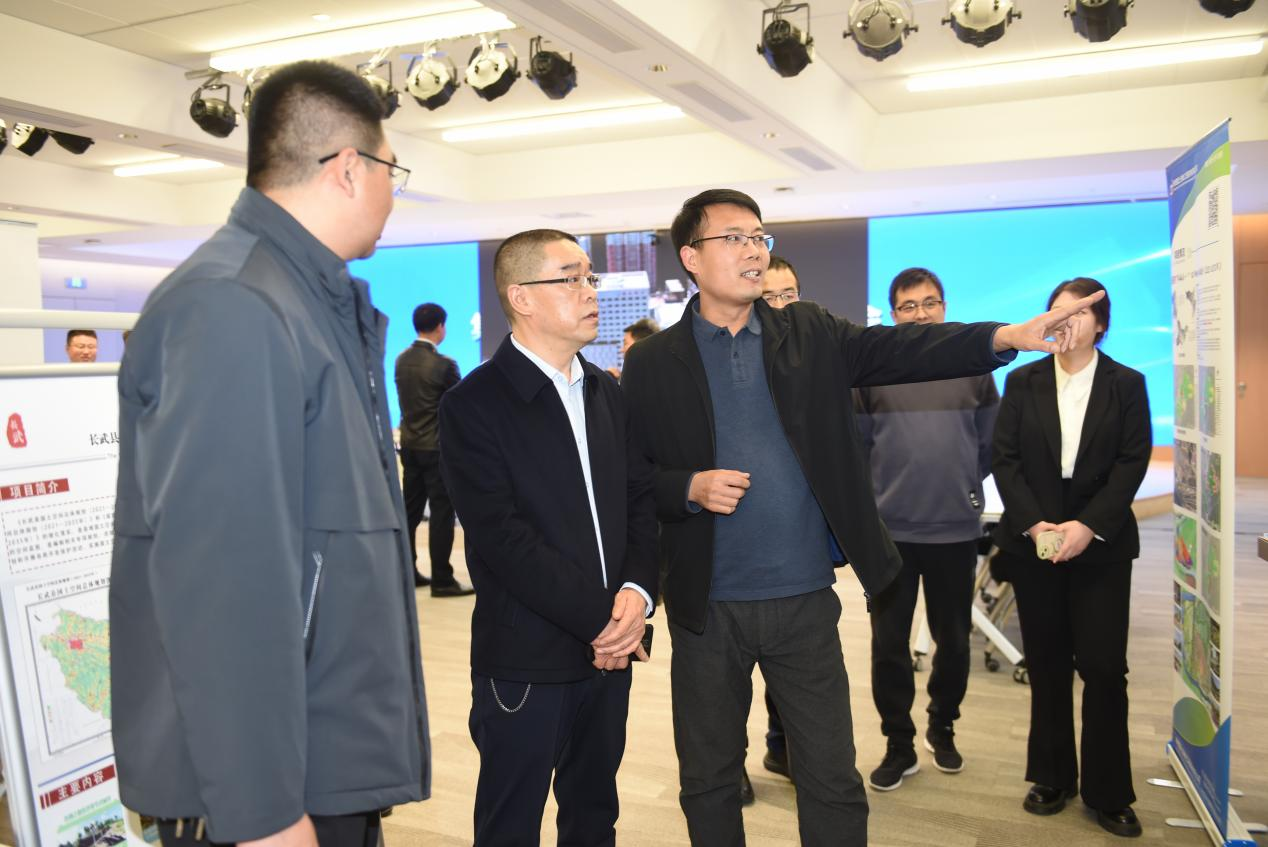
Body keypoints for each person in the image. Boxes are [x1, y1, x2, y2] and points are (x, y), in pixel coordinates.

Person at [620, 188, 1103, 847]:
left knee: (831, 777)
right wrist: (688, 487)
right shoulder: (653, 362)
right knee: (708, 779)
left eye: (758, 236)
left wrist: (1004, 336)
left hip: (803, 600)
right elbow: (633, 479)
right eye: (734, 237)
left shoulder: (808, 333)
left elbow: (907, 349)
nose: (753, 250)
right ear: (691, 258)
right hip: (706, 606)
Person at [110, 60, 429, 847]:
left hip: (320, 755)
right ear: (349, 169)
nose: (394, 194)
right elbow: (221, 578)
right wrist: (263, 812)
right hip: (269, 793)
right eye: (391, 171)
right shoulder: (234, 305)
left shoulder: (307, 301)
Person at [439, 229, 659, 847]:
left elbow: (640, 502)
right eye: (571, 278)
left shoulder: (606, 392)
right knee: (511, 824)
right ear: (522, 297)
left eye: (591, 277)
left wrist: (638, 595)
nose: (590, 292)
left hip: (612, 651)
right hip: (528, 656)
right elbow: (503, 539)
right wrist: (604, 620)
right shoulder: (474, 403)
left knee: (594, 816)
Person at [991, 277, 1150, 838]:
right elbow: (1005, 460)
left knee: (1104, 668)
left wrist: (1088, 526)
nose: (1066, 320)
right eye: (1057, 311)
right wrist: (1035, 524)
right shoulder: (1023, 380)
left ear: (1100, 324)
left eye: (1079, 312)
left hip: (1101, 542)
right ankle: (1053, 775)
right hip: (1036, 540)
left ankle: (1110, 791)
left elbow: (1132, 462)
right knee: (1048, 663)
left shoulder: (1126, 384)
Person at [856, 267, 999, 791]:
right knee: (888, 645)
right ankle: (899, 743)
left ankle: (943, 726)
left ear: (944, 306)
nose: (921, 313)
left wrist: (961, 484)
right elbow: (859, 446)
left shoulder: (973, 365)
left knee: (953, 641)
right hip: (889, 533)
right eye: (909, 306)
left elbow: (988, 443)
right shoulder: (873, 369)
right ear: (894, 314)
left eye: (930, 303)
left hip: (954, 528)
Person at [395, 301, 472, 596]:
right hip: (437, 449)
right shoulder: (444, 364)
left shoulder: (401, 360)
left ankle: (407, 573)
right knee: (441, 513)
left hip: (409, 445)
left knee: (410, 512)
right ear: (441, 327)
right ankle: (442, 579)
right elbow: (460, 405)